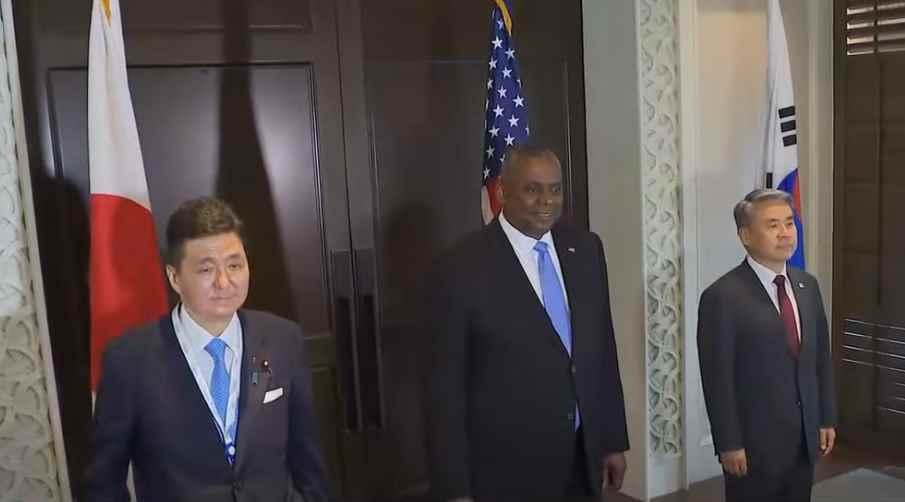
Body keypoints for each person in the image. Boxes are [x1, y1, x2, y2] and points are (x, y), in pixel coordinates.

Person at [84, 197, 329, 501]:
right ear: (175, 277)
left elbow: (308, 460)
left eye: (234, 265)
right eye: (206, 270)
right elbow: (103, 482)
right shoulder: (128, 360)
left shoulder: (283, 339)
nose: (224, 282)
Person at [426, 145, 629, 501]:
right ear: (502, 191)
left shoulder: (586, 249)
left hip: (582, 458)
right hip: (507, 470)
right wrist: (454, 487)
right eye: (532, 189)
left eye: (555, 189)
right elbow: (444, 388)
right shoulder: (459, 266)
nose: (546, 201)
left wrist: (612, 440)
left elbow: (601, 350)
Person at [697, 189, 837, 502]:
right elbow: (718, 379)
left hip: (803, 440)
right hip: (753, 447)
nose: (785, 233)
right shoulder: (722, 297)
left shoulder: (807, 285)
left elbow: (820, 360)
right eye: (773, 225)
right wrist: (729, 443)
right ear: (746, 235)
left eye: (789, 222)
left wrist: (826, 417)